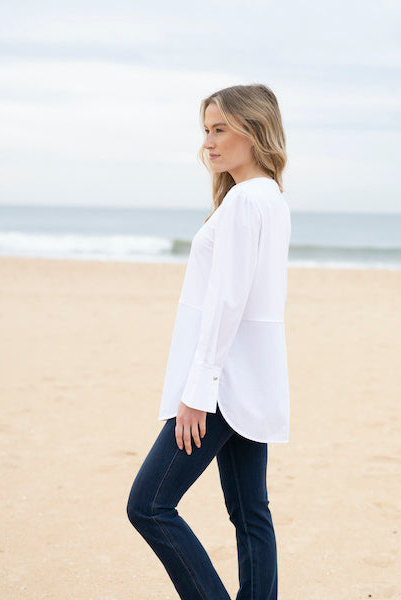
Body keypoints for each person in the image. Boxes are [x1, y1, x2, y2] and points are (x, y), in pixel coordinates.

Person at [127, 83, 291, 600]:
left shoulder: (245, 201)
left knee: (149, 505)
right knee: (250, 513)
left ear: (254, 131)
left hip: (220, 384)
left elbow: (226, 303)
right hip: (248, 378)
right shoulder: (270, 197)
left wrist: (198, 390)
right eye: (206, 130)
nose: (208, 142)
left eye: (220, 129)